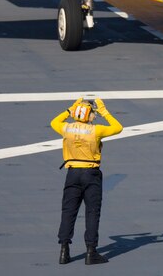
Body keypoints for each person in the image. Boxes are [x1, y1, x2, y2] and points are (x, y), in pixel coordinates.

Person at [51, 98, 123, 265]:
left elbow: (54, 121)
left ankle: (64, 251)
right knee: (92, 212)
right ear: (88, 115)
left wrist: (69, 110)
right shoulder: (95, 131)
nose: (95, 116)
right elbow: (118, 128)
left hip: (73, 173)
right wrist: (105, 112)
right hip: (91, 174)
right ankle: (91, 252)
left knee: (68, 211)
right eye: (93, 113)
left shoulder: (66, 128)